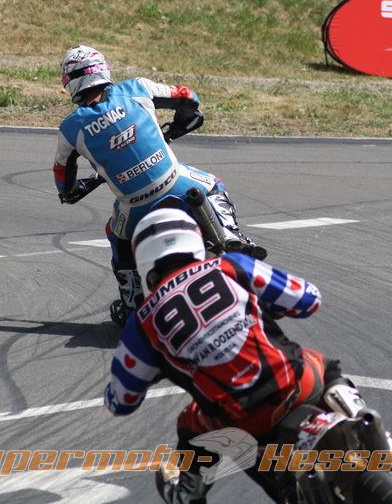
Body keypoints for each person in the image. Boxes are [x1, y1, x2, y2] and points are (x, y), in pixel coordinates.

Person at [103, 209, 368, 503]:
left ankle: (189, 493)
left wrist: (142, 375)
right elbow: (309, 299)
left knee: (190, 422)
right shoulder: (230, 266)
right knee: (321, 364)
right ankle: (367, 426)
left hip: (244, 422)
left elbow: (121, 402)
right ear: (195, 240)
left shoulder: (141, 323)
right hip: (297, 383)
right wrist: (269, 307)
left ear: (142, 258)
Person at [54, 45, 262, 327]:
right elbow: (187, 96)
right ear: (103, 68)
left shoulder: (70, 128)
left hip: (133, 207)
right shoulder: (137, 87)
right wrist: (180, 123)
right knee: (214, 185)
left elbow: (62, 170)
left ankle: (132, 301)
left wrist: (67, 191)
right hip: (176, 184)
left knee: (115, 235)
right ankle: (228, 233)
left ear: (69, 83)